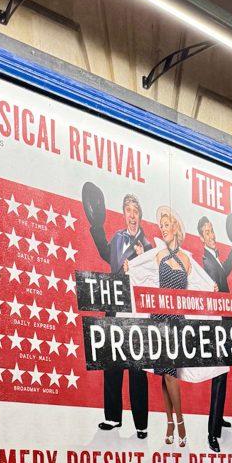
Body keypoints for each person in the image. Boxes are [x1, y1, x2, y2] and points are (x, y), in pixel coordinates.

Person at [127, 207, 218, 448]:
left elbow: (202, 283)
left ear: (175, 228)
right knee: (164, 375)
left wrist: (213, 289)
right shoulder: (157, 254)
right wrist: (130, 268)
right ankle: (172, 422)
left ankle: (179, 422)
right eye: (162, 226)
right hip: (158, 319)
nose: (163, 230)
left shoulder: (187, 259)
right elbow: (139, 269)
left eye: (167, 226)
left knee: (170, 374)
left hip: (177, 322)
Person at [84, 187, 153, 438]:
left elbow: (151, 278)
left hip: (135, 314)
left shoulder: (147, 246)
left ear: (140, 216)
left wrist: (137, 263)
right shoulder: (117, 237)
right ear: (124, 214)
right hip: (115, 307)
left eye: (135, 211)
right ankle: (113, 417)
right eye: (128, 211)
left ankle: (141, 425)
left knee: (136, 370)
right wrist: (96, 225)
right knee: (112, 364)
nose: (131, 215)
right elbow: (105, 253)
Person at [198, 216, 232, 452]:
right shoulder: (207, 261)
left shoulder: (215, 259)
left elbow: (224, 275)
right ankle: (212, 433)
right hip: (217, 326)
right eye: (207, 231)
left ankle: (219, 418)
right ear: (202, 237)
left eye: (212, 230)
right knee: (219, 376)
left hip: (225, 323)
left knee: (223, 374)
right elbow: (209, 284)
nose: (212, 234)